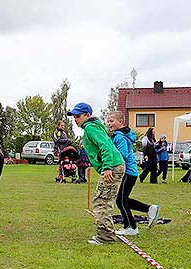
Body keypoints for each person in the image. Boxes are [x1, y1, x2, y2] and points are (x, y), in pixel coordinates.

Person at [67, 103, 125, 245]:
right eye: (74, 117)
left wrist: (107, 168)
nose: (75, 119)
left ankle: (106, 237)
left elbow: (105, 146)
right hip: (114, 165)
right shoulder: (93, 127)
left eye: (78, 116)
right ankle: (106, 235)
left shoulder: (91, 128)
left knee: (101, 202)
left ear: (87, 115)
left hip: (112, 167)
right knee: (102, 201)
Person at [107, 111, 160, 236]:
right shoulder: (120, 134)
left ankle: (131, 226)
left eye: (111, 121)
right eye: (108, 121)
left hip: (128, 172)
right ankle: (149, 209)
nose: (109, 124)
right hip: (129, 172)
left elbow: (123, 154)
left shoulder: (120, 136)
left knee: (120, 200)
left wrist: (110, 155)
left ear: (120, 122)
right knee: (123, 200)